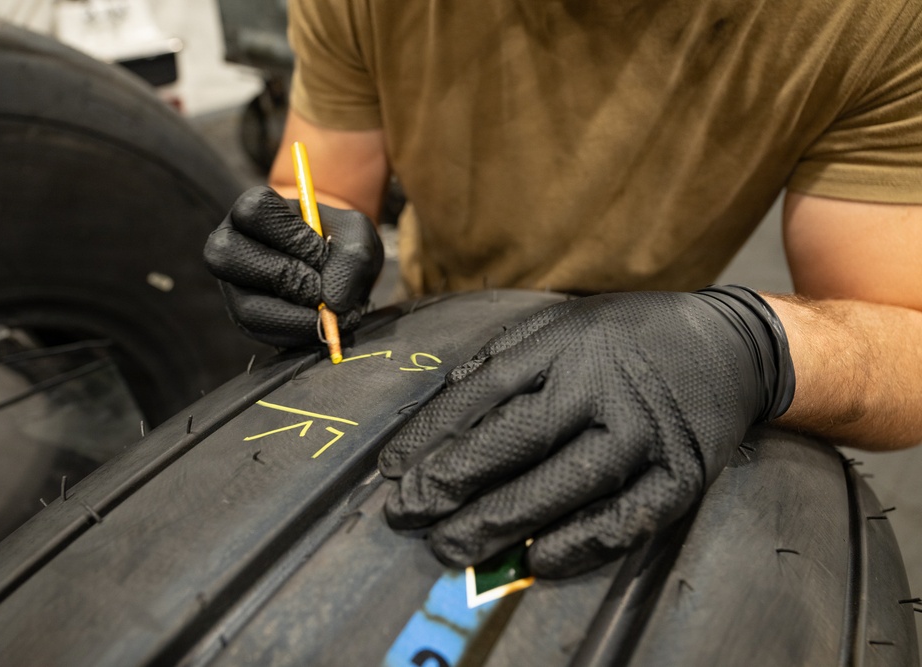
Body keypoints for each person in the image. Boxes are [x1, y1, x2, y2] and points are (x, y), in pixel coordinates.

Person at [204, 0, 922, 578]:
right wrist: (297, 243)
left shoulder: (864, 18)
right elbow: (322, 180)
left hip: (658, 349)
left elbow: (905, 333)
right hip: (431, 317)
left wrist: (749, 343)